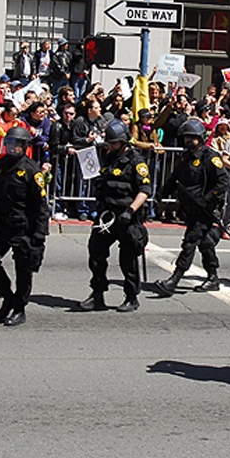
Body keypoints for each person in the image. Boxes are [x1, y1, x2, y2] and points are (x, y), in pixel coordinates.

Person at [0, 127, 50, 327]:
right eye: (9, 144)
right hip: (2, 224)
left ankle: (19, 308)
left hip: (23, 227)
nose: (12, 148)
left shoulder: (31, 170)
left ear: (25, 147)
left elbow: (41, 206)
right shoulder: (2, 164)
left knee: (23, 269)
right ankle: (7, 296)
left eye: (17, 144)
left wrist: (39, 234)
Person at [78, 119, 151, 313]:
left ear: (124, 142)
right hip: (106, 215)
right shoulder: (108, 158)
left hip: (126, 216)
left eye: (113, 143)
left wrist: (130, 211)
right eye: (109, 143)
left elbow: (144, 190)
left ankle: (131, 297)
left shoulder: (137, 162)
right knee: (96, 253)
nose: (110, 146)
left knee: (127, 259)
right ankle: (97, 294)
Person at [155, 119, 229, 295]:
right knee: (205, 244)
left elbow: (223, 182)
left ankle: (174, 280)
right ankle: (213, 277)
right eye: (186, 137)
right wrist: (162, 194)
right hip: (189, 209)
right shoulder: (186, 157)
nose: (188, 140)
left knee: (189, 243)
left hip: (205, 210)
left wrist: (207, 199)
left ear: (200, 138)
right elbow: (175, 179)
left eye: (192, 137)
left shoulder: (210, 158)